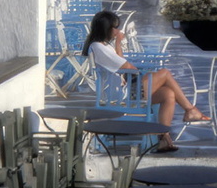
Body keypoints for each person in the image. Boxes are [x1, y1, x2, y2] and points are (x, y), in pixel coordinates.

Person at [82, 10, 209, 152]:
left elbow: (122, 61)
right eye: (115, 27)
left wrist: (118, 42)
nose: (117, 30)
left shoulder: (103, 46)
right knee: (165, 73)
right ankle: (190, 110)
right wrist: (140, 72)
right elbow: (128, 66)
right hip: (121, 95)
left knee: (168, 94)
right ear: (106, 28)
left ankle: (163, 138)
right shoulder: (98, 47)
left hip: (125, 90)